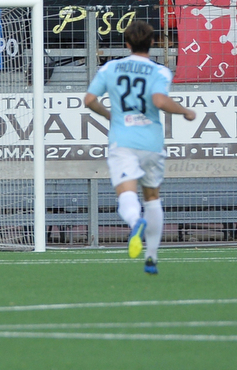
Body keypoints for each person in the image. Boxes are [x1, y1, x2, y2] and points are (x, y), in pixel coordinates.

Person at [84, 20, 196, 275]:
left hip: (123, 142)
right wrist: (184, 111)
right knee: (152, 197)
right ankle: (152, 258)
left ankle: (136, 222)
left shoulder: (110, 68)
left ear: (126, 43)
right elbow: (159, 99)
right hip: (151, 143)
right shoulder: (160, 71)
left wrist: (109, 115)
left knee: (126, 194)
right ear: (153, 43)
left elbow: (89, 100)